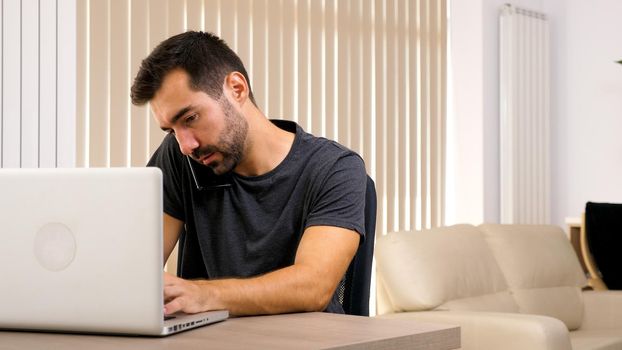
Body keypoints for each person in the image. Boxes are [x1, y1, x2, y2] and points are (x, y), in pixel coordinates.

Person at [130, 31, 367, 316]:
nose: (185, 145)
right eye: (171, 130)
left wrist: (204, 295)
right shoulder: (180, 157)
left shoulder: (335, 167)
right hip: (213, 340)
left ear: (237, 88)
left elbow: (313, 287)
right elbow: (136, 267)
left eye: (191, 118)